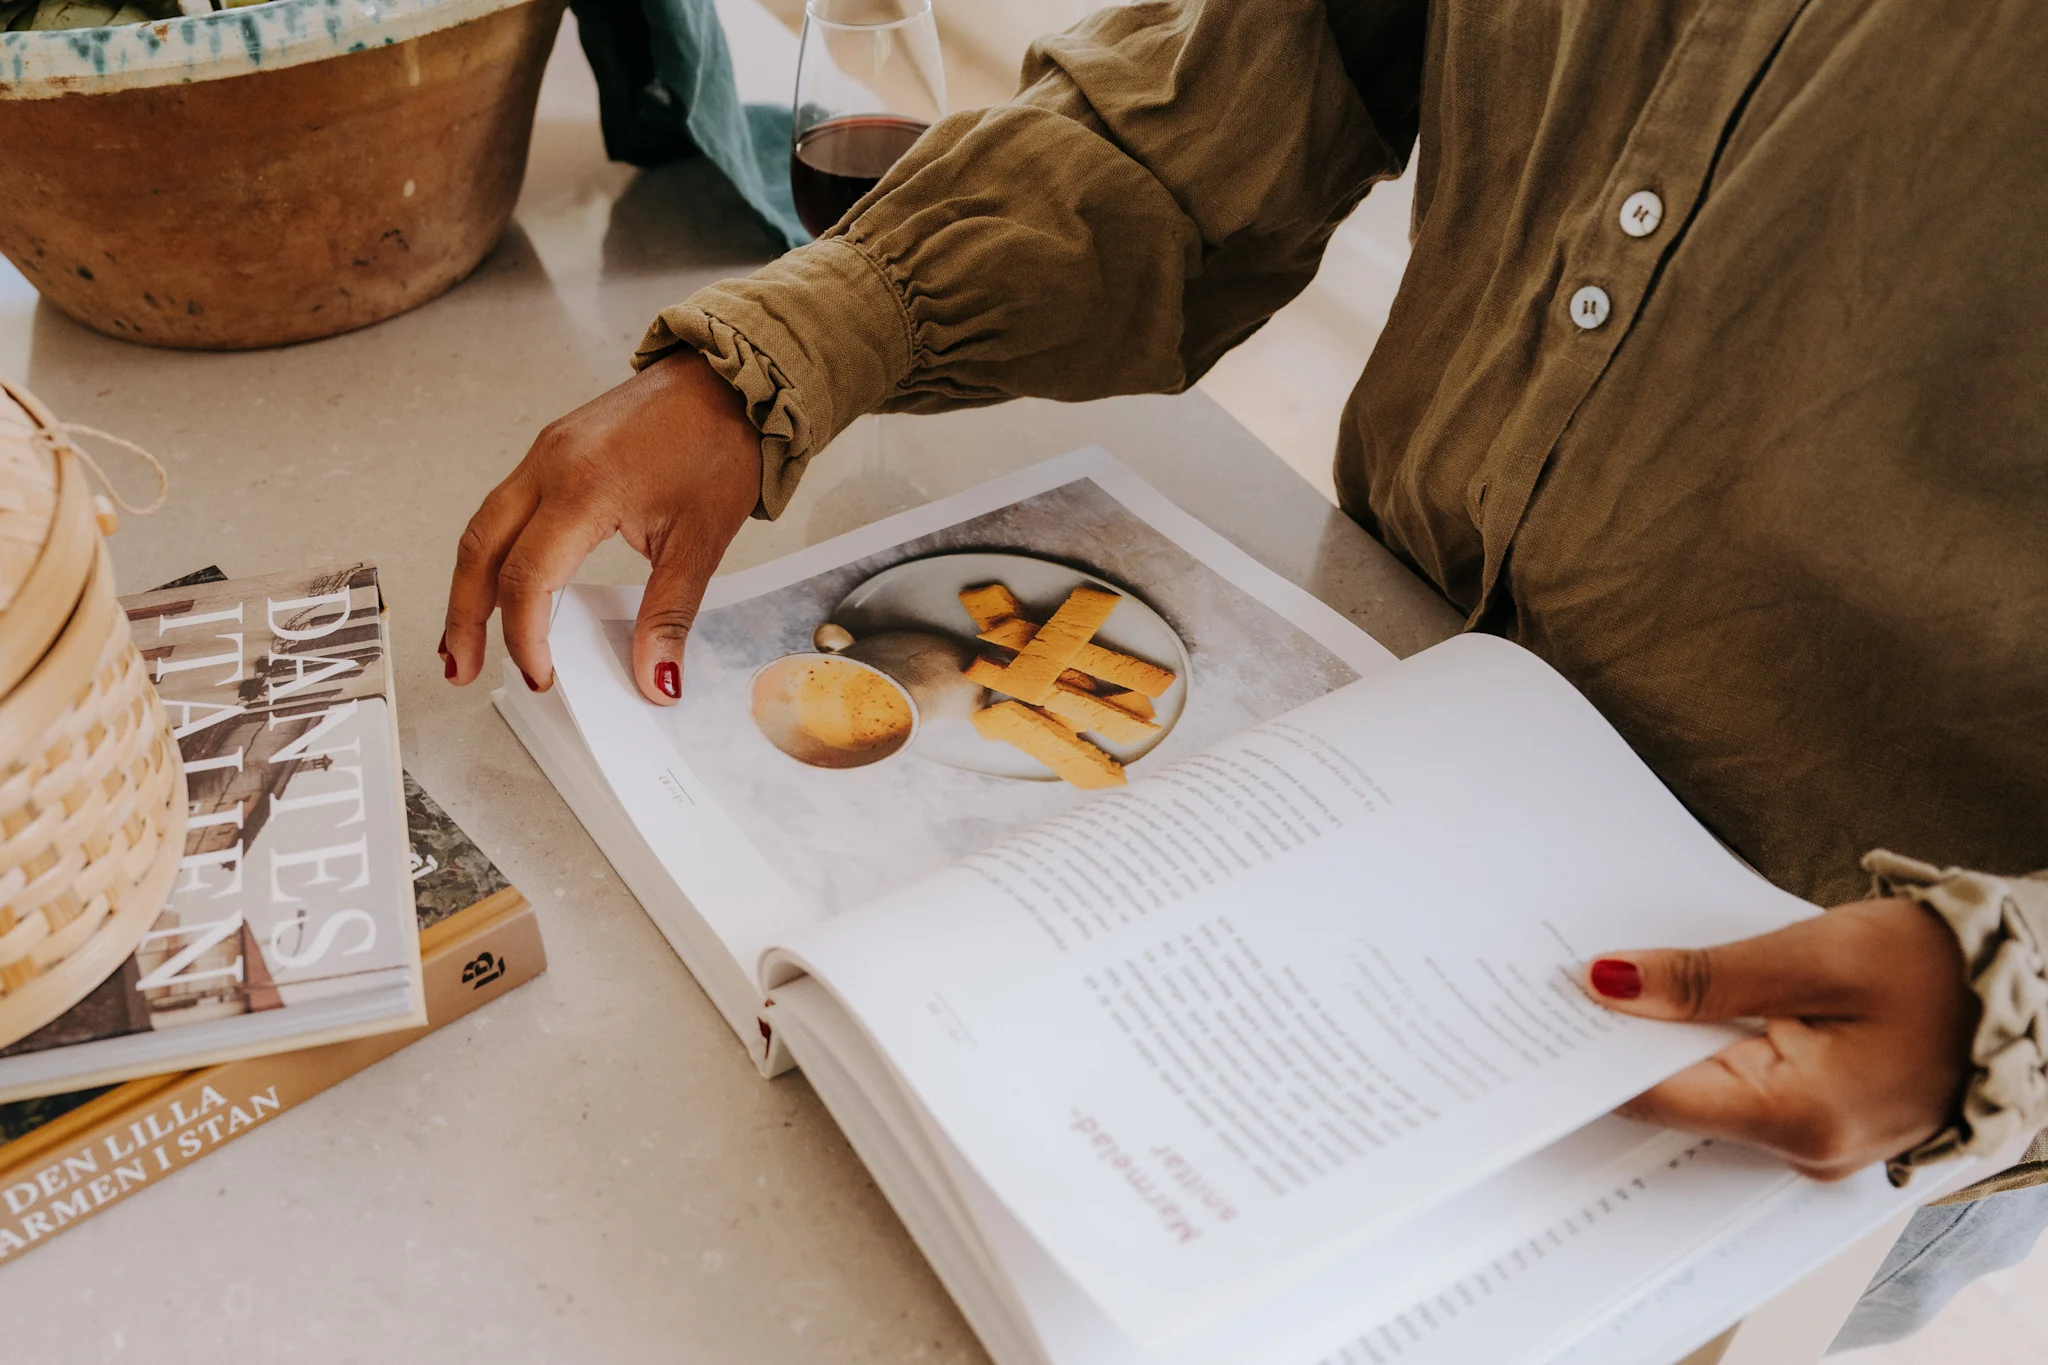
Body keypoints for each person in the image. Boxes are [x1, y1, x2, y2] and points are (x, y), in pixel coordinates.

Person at [441, 0, 2048, 1346]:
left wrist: (2009, 1007)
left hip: (1821, 1018)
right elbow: (1237, 97)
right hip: (1362, 751)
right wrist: (789, 351)